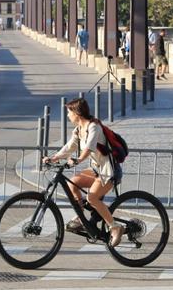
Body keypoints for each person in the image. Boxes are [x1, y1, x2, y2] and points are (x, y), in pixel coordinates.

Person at [43, 98, 125, 247]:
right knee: (73, 183)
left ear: (77, 113)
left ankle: (115, 227)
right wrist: (53, 158)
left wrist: (78, 160)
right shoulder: (79, 129)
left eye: (69, 112)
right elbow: (69, 147)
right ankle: (81, 220)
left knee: (92, 197)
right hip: (96, 169)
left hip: (109, 171)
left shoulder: (94, 127)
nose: (68, 116)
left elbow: (89, 148)